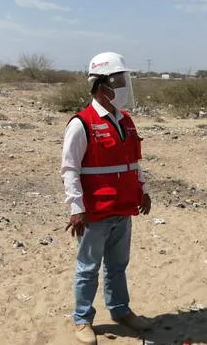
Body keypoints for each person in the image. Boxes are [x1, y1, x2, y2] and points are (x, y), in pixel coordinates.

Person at [60, 51, 153, 344]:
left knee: (117, 266)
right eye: (121, 80)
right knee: (88, 269)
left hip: (123, 208)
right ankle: (82, 319)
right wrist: (76, 208)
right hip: (95, 213)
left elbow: (133, 162)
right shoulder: (81, 123)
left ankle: (120, 310)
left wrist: (144, 190)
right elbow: (69, 169)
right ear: (103, 86)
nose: (126, 86)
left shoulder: (125, 120)